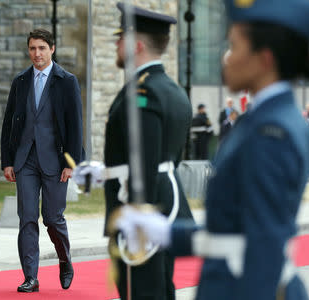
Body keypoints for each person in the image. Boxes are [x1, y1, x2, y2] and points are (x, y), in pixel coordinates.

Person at [113, 0, 309, 299]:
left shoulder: (272, 132)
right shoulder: (267, 120)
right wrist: (169, 234)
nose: (226, 58)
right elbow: (234, 232)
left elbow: (262, 248)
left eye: (234, 46)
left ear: (265, 59)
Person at [74, 3, 194, 299]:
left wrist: (139, 214)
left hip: (143, 208)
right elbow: (163, 157)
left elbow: (146, 159)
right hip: (164, 200)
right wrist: (102, 173)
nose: (116, 43)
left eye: (121, 37)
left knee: (142, 292)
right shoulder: (170, 88)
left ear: (137, 45)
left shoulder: (143, 92)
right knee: (158, 288)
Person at [0, 29, 83, 293]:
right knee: (26, 218)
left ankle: (64, 259)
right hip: (25, 160)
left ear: (52, 49)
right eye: (32, 48)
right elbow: (8, 124)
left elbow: (75, 125)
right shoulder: (20, 81)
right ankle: (30, 277)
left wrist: (71, 162)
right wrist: (7, 161)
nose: (37, 53)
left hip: (56, 161)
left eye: (42, 48)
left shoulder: (66, 81)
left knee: (52, 217)